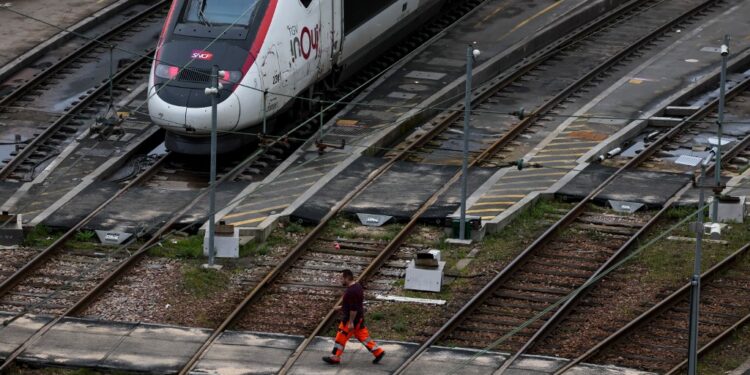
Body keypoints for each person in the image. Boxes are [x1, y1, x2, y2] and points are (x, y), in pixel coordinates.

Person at [322, 269, 385, 365]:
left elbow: (353, 308)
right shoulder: (357, 286)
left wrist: (351, 322)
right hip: (359, 318)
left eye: (341, 278)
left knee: (341, 336)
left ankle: (335, 357)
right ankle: (378, 352)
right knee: (363, 336)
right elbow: (354, 304)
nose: (340, 280)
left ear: (347, 278)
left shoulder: (351, 291)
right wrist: (342, 307)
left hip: (351, 320)